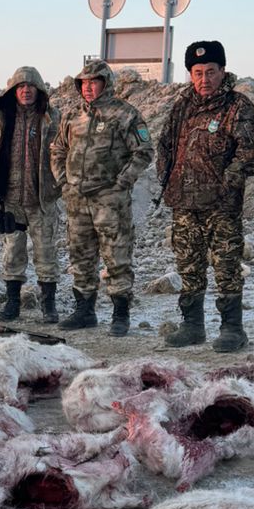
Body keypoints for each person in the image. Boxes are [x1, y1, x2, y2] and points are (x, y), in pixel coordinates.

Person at [157, 39, 254, 352]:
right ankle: (192, 326)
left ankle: (233, 329)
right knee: (189, 268)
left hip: (221, 206)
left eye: (211, 71)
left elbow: (253, 153)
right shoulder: (182, 107)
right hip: (184, 204)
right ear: (191, 74)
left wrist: (228, 178)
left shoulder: (238, 106)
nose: (205, 79)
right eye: (198, 72)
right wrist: (167, 180)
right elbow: (165, 145)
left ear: (223, 71)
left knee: (227, 268)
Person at [50, 58, 154, 336]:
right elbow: (57, 149)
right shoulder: (72, 116)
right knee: (81, 256)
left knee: (116, 256)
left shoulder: (125, 114)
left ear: (105, 84)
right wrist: (63, 180)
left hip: (110, 201)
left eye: (93, 82)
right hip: (77, 201)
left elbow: (143, 151)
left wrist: (122, 182)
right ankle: (85, 311)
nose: (88, 88)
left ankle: (120, 315)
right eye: (83, 83)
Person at [0, 66, 62, 323]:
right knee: (12, 252)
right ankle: (13, 303)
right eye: (20, 87)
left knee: (46, 252)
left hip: (42, 198)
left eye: (30, 86)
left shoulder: (52, 118)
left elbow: (66, 151)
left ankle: (49, 305)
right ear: (13, 91)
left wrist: (61, 182)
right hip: (9, 198)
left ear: (39, 90)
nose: (26, 91)